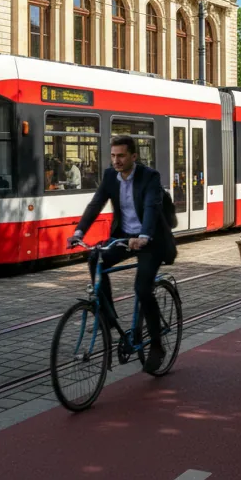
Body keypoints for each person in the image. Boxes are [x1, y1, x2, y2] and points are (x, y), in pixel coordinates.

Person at [67, 135, 174, 375]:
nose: (116, 160)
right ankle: (107, 314)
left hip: (151, 240)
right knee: (96, 257)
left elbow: (150, 207)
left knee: (142, 289)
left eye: (121, 156)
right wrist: (79, 232)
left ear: (133, 156)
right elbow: (96, 203)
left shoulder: (150, 177)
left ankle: (156, 345)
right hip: (125, 237)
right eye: (113, 155)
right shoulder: (109, 176)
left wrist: (144, 235)